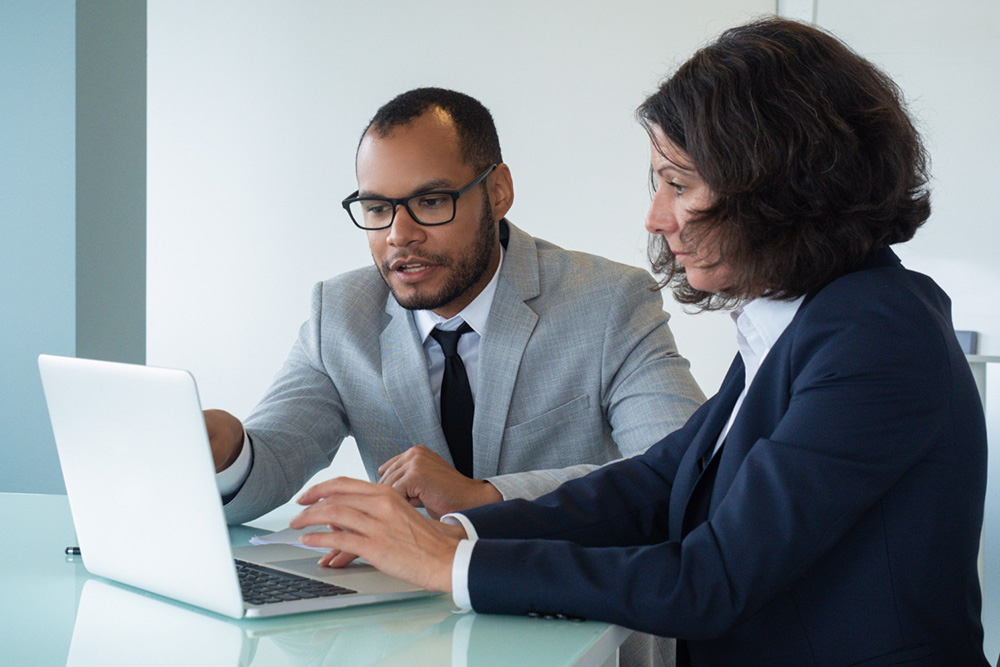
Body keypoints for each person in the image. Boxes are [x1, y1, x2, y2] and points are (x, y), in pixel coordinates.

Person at [288, 18, 990, 666]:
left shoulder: (874, 336)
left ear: (783, 186)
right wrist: (459, 533)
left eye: (678, 183)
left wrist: (448, 566)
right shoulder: (811, 316)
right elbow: (657, 483)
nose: (655, 217)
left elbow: (706, 578)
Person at [207, 87, 705, 525]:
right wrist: (227, 450)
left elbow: (681, 470)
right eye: (378, 208)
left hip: (571, 616)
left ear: (498, 191)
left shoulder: (609, 301)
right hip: (413, 621)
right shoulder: (339, 314)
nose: (399, 235)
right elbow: (268, 465)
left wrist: (485, 498)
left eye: (430, 202)